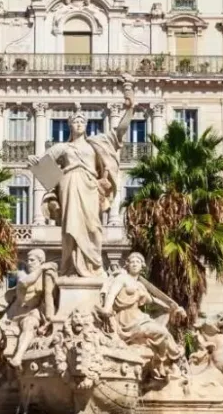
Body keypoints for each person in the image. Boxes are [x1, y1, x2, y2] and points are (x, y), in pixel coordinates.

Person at [29, 85, 134, 277]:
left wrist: (129, 107)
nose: (78, 124)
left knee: (93, 226)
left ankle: (94, 266)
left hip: (90, 186)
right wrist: (35, 162)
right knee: (70, 228)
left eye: (82, 121)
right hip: (69, 184)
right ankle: (69, 267)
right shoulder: (63, 147)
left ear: (86, 125)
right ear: (70, 126)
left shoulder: (96, 143)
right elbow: (42, 164)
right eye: (75, 121)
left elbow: (119, 131)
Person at [97, 251, 184, 368]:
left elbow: (154, 301)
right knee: (161, 332)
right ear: (127, 265)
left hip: (138, 317)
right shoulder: (122, 278)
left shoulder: (141, 285)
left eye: (137, 262)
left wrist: (174, 308)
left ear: (142, 266)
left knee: (164, 333)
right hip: (126, 319)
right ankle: (174, 356)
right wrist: (107, 308)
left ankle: (164, 363)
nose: (134, 264)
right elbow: (111, 293)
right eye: (132, 262)